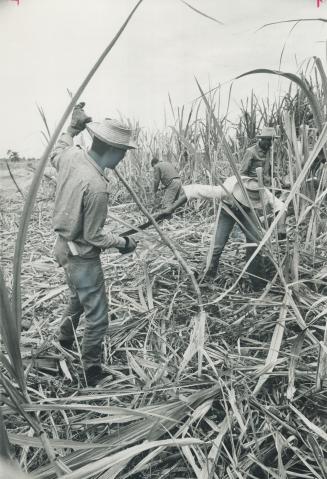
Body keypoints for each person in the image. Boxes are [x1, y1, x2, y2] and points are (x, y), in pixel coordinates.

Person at [50, 103, 137, 386]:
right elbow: (93, 236)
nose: (124, 156)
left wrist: (74, 127)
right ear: (112, 149)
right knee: (97, 317)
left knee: (77, 297)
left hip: (62, 248)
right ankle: (92, 372)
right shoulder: (97, 187)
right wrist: (123, 241)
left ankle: (64, 340)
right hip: (82, 256)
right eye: (123, 151)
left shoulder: (73, 157)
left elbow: (57, 150)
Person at [163, 175, 287, 288]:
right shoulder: (224, 190)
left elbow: (280, 206)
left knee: (256, 242)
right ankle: (207, 277)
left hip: (248, 212)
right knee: (217, 245)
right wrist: (171, 208)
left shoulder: (261, 191)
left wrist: (281, 226)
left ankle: (258, 282)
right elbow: (193, 191)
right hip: (228, 210)